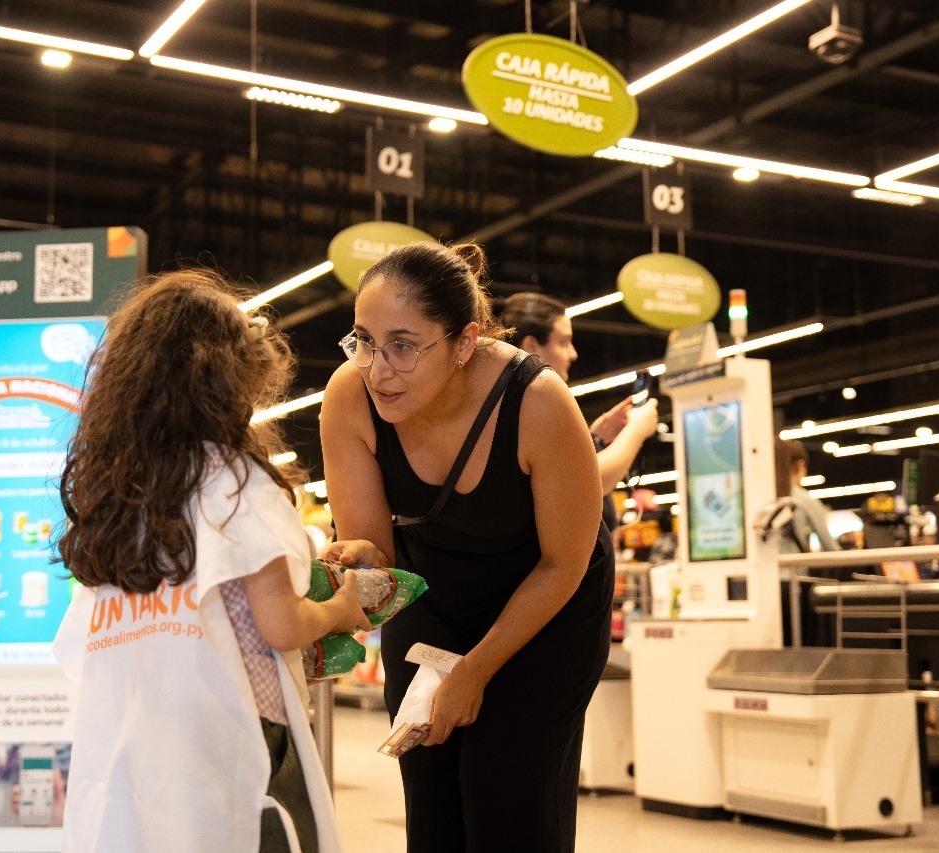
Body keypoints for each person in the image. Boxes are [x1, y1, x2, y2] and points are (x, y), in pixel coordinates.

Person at [51, 269, 371, 853]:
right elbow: (278, 622)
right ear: (229, 380)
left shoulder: (118, 495)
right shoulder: (236, 482)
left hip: (129, 743)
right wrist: (342, 611)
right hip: (229, 742)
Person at [319, 242, 612, 852]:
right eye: (363, 340)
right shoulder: (349, 396)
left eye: (403, 344)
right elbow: (380, 553)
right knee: (431, 801)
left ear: (462, 342)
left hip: (548, 601)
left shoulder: (537, 402)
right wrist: (352, 570)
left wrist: (476, 670)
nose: (378, 367)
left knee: (508, 799)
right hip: (432, 591)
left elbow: (565, 562)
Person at [499, 292, 658, 530]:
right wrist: (636, 431)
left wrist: (596, 436)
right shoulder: (529, 406)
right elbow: (589, 483)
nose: (573, 353)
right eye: (563, 342)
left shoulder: (514, 403)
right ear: (532, 346)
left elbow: (560, 472)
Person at [774, 438, 839, 554]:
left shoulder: (765, 497)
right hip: (794, 570)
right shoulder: (803, 498)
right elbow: (830, 546)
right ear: (800, 464)